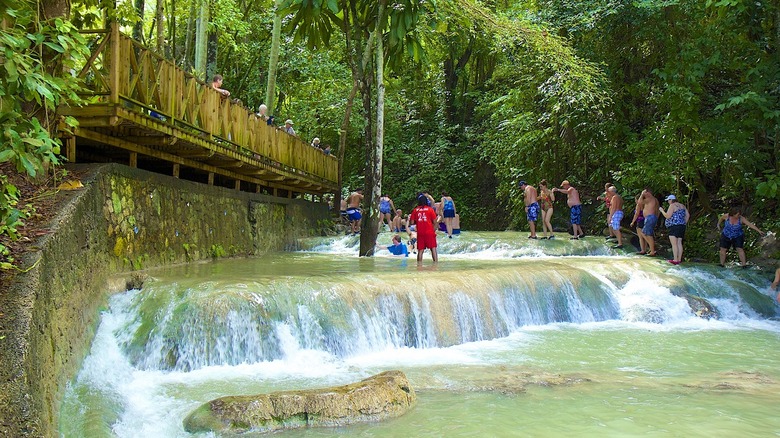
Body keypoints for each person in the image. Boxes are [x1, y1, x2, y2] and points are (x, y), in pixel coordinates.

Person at [659, 194, 689, 265]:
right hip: (682, 226)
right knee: (679, 242)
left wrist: (662, 211)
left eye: (668, 200)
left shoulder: (672, 205)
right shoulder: (683, 206)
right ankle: (679, 259)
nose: (668, 202)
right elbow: (688, 215)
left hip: (674, 226)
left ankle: (675, 259)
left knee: (674, 243)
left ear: (671, 200)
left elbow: (668, 216)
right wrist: (684, 222)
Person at [409, 194, 438, 263]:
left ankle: (419, 265)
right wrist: (433, 230)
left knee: (420, 250)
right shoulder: (430, 210)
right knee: (433, 248)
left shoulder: (415, 210)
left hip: (420, 232)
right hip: (429, 232)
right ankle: (435, 263)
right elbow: (435, 221)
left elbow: (412, 222)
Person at [637, 188, 659, 256]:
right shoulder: (655, 200)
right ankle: (651, 249)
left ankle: (652, 250)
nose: (644, 194)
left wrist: (641, 194)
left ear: (648, 193)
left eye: (645, 192)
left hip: (650, 218)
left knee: (646, 233)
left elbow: (639, 202)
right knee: (645, 233)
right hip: (652, 217)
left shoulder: (650, 198)